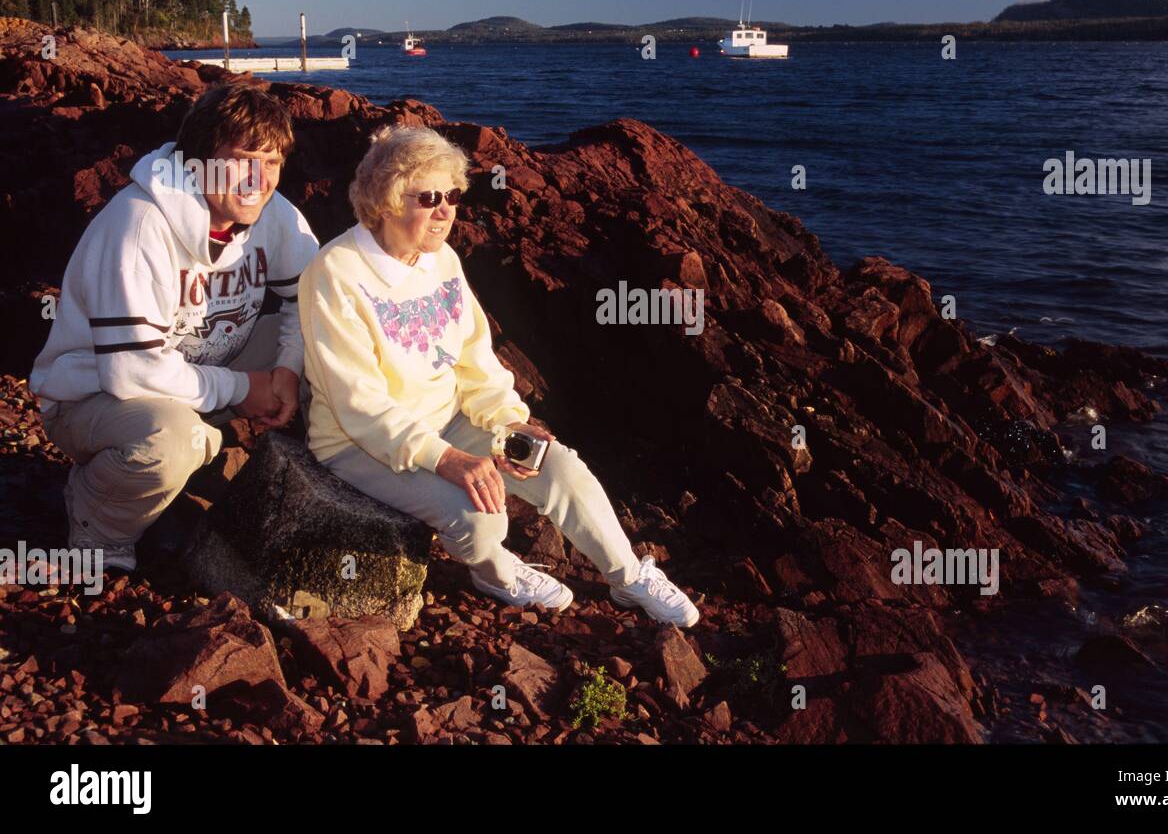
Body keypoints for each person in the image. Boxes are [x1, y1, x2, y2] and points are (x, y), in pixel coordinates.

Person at [299, 125, 699, 627]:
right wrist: (447, 459)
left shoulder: (441, 260)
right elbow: (358, 404)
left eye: (452, 196)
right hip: (359, 444)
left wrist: (508, 421)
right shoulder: (334, 273)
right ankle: (494, 573)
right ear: (386, 200)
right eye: (429, 198)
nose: (445, 210)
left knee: (559, 466)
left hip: (448, 420)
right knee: (482, 518)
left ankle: (628, 577)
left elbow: (474, 358)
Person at [31, 83, 320, 571]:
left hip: (201, 371)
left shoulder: (272, 215)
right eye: (243, 160)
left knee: (328, 349)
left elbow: (312, 301)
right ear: (198, 161)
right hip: (93, 397)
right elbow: (132, 372)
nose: (259, 178)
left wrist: (288, 370)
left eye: (272, 161)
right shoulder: (139, 224)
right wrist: (241, 388)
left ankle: (320, 497)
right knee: (171, 442)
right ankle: (97, 521)